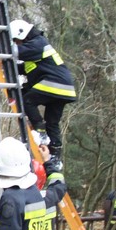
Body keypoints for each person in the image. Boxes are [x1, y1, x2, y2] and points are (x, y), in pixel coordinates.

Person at [9, 19, 77, 165]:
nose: (16, 43)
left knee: (27, 100)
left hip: (55, 83)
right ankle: (55, 155)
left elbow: (15, 52)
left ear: (22, 35)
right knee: (52, 122)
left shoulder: (38, 43)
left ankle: (41, 133)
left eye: (16, 40)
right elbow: (26, 68)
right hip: (64, 88)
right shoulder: (36, 50)